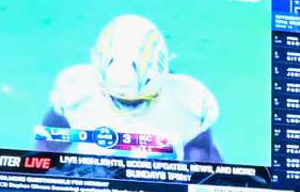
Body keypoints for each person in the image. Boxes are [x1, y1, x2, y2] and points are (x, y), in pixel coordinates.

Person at [44, 12, 223, 165]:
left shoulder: (189, 103)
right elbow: (46, 153)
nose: (128, 109)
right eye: (118, 101)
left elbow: (207, 168)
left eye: (138, 102)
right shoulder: (74, 93)